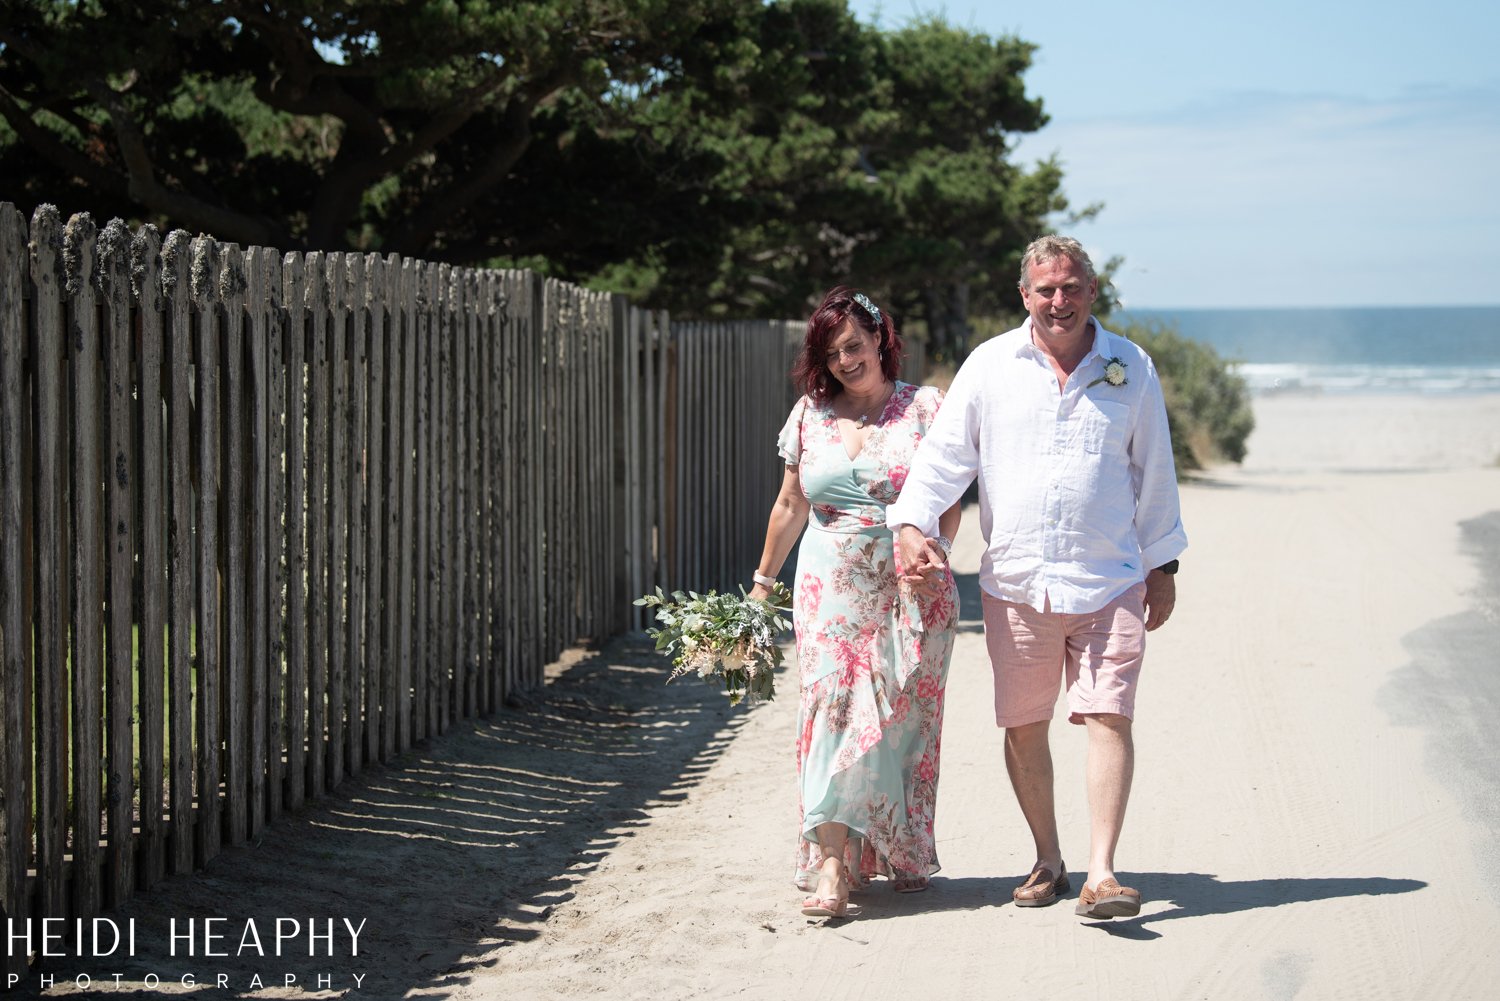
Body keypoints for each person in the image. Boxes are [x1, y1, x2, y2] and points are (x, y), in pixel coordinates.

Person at [887, 235, 1186, 920]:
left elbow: (1157, 473)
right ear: (1025, 295)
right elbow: (943, 460)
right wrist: (912, 524)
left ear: (1092, 292)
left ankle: (1103, 872)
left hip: (1109, 579)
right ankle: (1049, 857)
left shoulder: (1130, 367)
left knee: (1109, 714)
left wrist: (1161, 565)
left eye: (1072, 286)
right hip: (1016, 583)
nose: (1060, 300)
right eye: (1046, 288)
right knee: (1024, 725)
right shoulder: (991, 366)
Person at [748, 286, 961, 920]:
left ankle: (896, 848)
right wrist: (763, 582)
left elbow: (950, 498)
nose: (846, 360)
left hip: (908, 583)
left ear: (879, 340)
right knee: (832, 708)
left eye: (855, 345)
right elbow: (791, 505)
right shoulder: (809, 414)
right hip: (829, 583)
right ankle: (835, 867)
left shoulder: (925, 408)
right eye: (833, 352)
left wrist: (937, 553)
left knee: (899, 724)